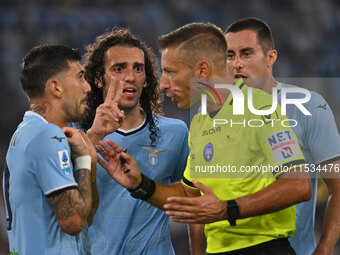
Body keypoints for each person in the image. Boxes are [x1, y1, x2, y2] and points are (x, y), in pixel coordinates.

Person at [95, 22, 312, 254]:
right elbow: (191, 194)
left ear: (201, 71)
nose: (162, 84)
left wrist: (228, 209)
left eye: (170, 72)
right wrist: (140, 184)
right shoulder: (200, 121)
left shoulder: (259, 106)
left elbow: (298, 185)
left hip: (264, 248)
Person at [224, 17, 340, 255]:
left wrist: (325, 248)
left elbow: (338, 185)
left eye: (246, 54)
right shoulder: (214, 115)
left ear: (270, 57)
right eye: (229, 55)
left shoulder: (309, 106)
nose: (236, 64)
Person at [79, 28, 189, 255]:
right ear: (98, 79)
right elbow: (61, 199)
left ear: (146, 79)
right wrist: (94, 137)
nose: (130, 76)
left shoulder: (175, 133)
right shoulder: (76, 133)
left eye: (138, 68)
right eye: (119, 69)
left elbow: (192, 199)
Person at [3, 45, 97, 255]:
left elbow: (86, 214)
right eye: (80, 77)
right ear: (56, 87)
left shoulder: (24, 134)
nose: (87, 87)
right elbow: (74, 221)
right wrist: (83, 160)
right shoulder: (48, 137)